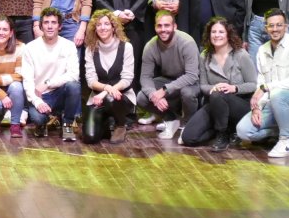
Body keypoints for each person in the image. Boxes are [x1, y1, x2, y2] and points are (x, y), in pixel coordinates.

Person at [235, 8, 289, 158]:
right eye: (271, 26)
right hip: (273, 104)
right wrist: (257, 108)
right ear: (265, 28)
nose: (275, 29)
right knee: (243, 131)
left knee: (277, 93)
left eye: (279, 25)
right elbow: (261, 80)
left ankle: (285, 141)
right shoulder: (262, 50)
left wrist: (266, 87)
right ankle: (284, 129)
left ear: (285, 26)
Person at [179, 16, 256, 150]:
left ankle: (223, 134)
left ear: (228, 34)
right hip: (215, 103)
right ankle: (219, 129)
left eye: (221, 32)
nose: (217, 35)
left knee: (218, 95)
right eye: (213, 32)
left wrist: (234, 88)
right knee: (188, 138)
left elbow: (253, 84)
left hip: (239, 104)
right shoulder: (204, 56)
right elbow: (203, 86)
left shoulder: (241, 54)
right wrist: (214, 87)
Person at [137, 10, 200, 141]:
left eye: (167, 25)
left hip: (191, 82)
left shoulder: (187, 42)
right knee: (142, 97)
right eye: (159, 26)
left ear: (174, 27)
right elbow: (145, 77)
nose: (163, 29)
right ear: (155, 27)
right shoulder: (150, 46)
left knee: (187, 93)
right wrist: (154, 96)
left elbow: (192, 75)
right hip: (169, 79)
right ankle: (171, 118)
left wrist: (164, 90)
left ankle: (187, 123)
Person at [21, 8, 82, 140]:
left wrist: (48, 83)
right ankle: (42, 124)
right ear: (41, 25)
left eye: (53, 22)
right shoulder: (30, 48)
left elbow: (73, 75)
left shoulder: (68, 46)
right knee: (38, 118)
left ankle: (67, 124)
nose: (49, 26)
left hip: (59, 92)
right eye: (46, 22)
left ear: (59, 26)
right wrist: (37, 102)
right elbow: (27, 80)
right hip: (40, 95)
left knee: (74, 86)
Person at [81, 11, 135, 144]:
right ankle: (105, 123)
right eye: (98, 25)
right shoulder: (90, 49)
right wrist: (105, 88)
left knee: (111, 97)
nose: (103, 27)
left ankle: (120, 125)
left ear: (113, 27)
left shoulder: (126, 47)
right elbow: (91, 81)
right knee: (90, 138)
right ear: (95, 28)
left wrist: (106, 91)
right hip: (97, 99)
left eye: (106, 24)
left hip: (121, 97)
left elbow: (127, 79)